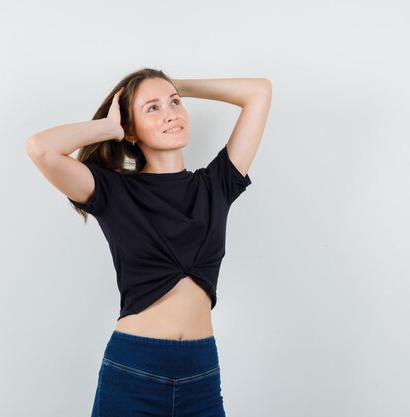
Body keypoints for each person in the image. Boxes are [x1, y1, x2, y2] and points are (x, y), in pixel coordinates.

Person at [25, 68, 271, 417]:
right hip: (134, 370)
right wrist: (109, 128)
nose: (171, 112)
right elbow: (40, 149)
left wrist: (177, 83)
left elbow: (259, 91)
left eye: (174, 103)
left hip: (201, 373)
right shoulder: (112, 191)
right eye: (152, 108)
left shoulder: (216, 185)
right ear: (130, 130)